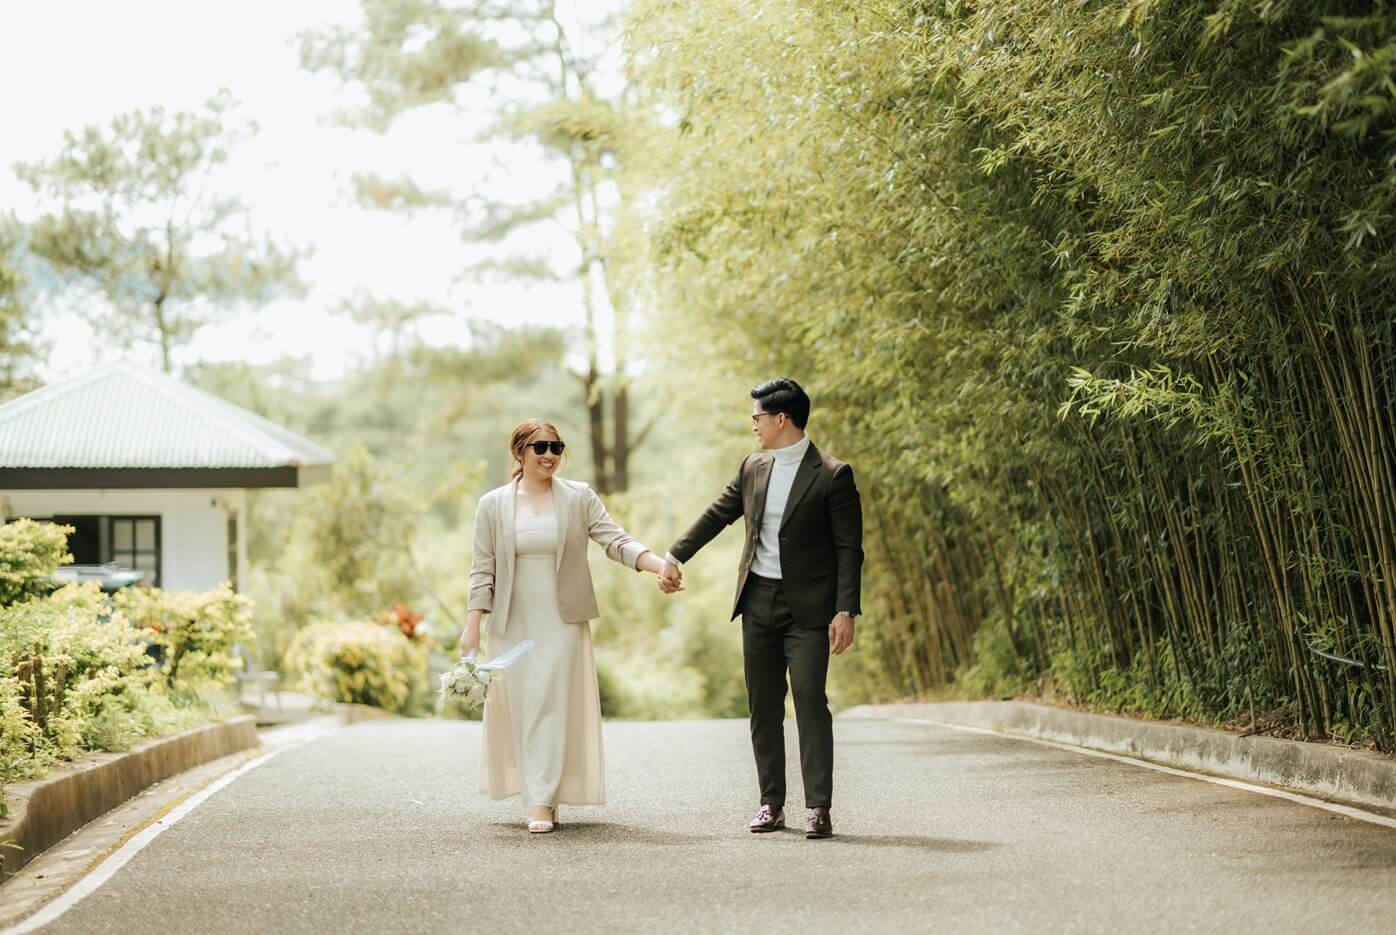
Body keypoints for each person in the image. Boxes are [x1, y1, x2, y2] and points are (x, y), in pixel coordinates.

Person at [659, 377, 863, 839]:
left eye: (757, 417)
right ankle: (771, 803)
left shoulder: (833, 475)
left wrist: (845, 610)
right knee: (764, 706)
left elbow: (849, 549)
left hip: (810, 610)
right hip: (758, 602)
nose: (753, 424)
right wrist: (675, 555)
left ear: (781, 419)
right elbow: (718, 513)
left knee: (809, 699)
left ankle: (819, 807)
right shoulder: (753, 466)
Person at [459, 419, 670, 833]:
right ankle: (540, 792)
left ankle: (541, 800)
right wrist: (472, 625)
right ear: (519, 452)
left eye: (556, 447)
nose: (549, 455)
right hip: (511, 620)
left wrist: (661, 565)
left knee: (551, 704)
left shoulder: (578, 497)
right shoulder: (492, 505)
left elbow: (615, 541)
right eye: (539, 447)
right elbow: (482, 570)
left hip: (562, 620)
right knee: (524, 705)